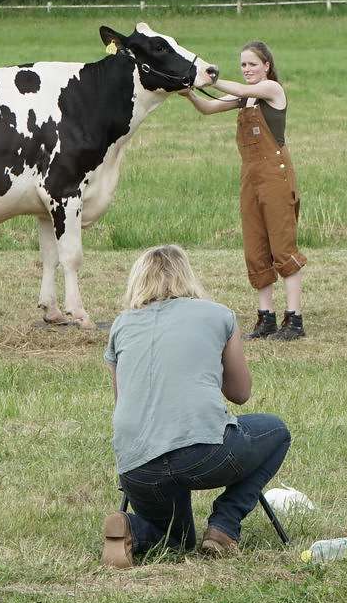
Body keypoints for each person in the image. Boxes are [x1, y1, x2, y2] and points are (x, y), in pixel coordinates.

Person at [100, 245, 291, 568]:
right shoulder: (217, 314)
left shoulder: (121, 325)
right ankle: (224, 525)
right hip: (205, 454)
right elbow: (240, 393)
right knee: (276, 432)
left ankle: (132, 527)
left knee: (176, 540)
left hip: (138, 466)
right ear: (187, 276)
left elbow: (125, 402)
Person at [184, 40, 309, 340]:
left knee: (282, 246)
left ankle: (294, 320)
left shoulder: (271, 90)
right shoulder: (245, 98)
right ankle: (265, 318)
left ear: (266, 66)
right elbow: (208, 108)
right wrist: (187, 90)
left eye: (252, 64)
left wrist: (210, 78)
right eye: (243, 65)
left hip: (276, 177)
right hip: (250, 178)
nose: (247, 69)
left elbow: (240, 90)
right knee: (255, 248)